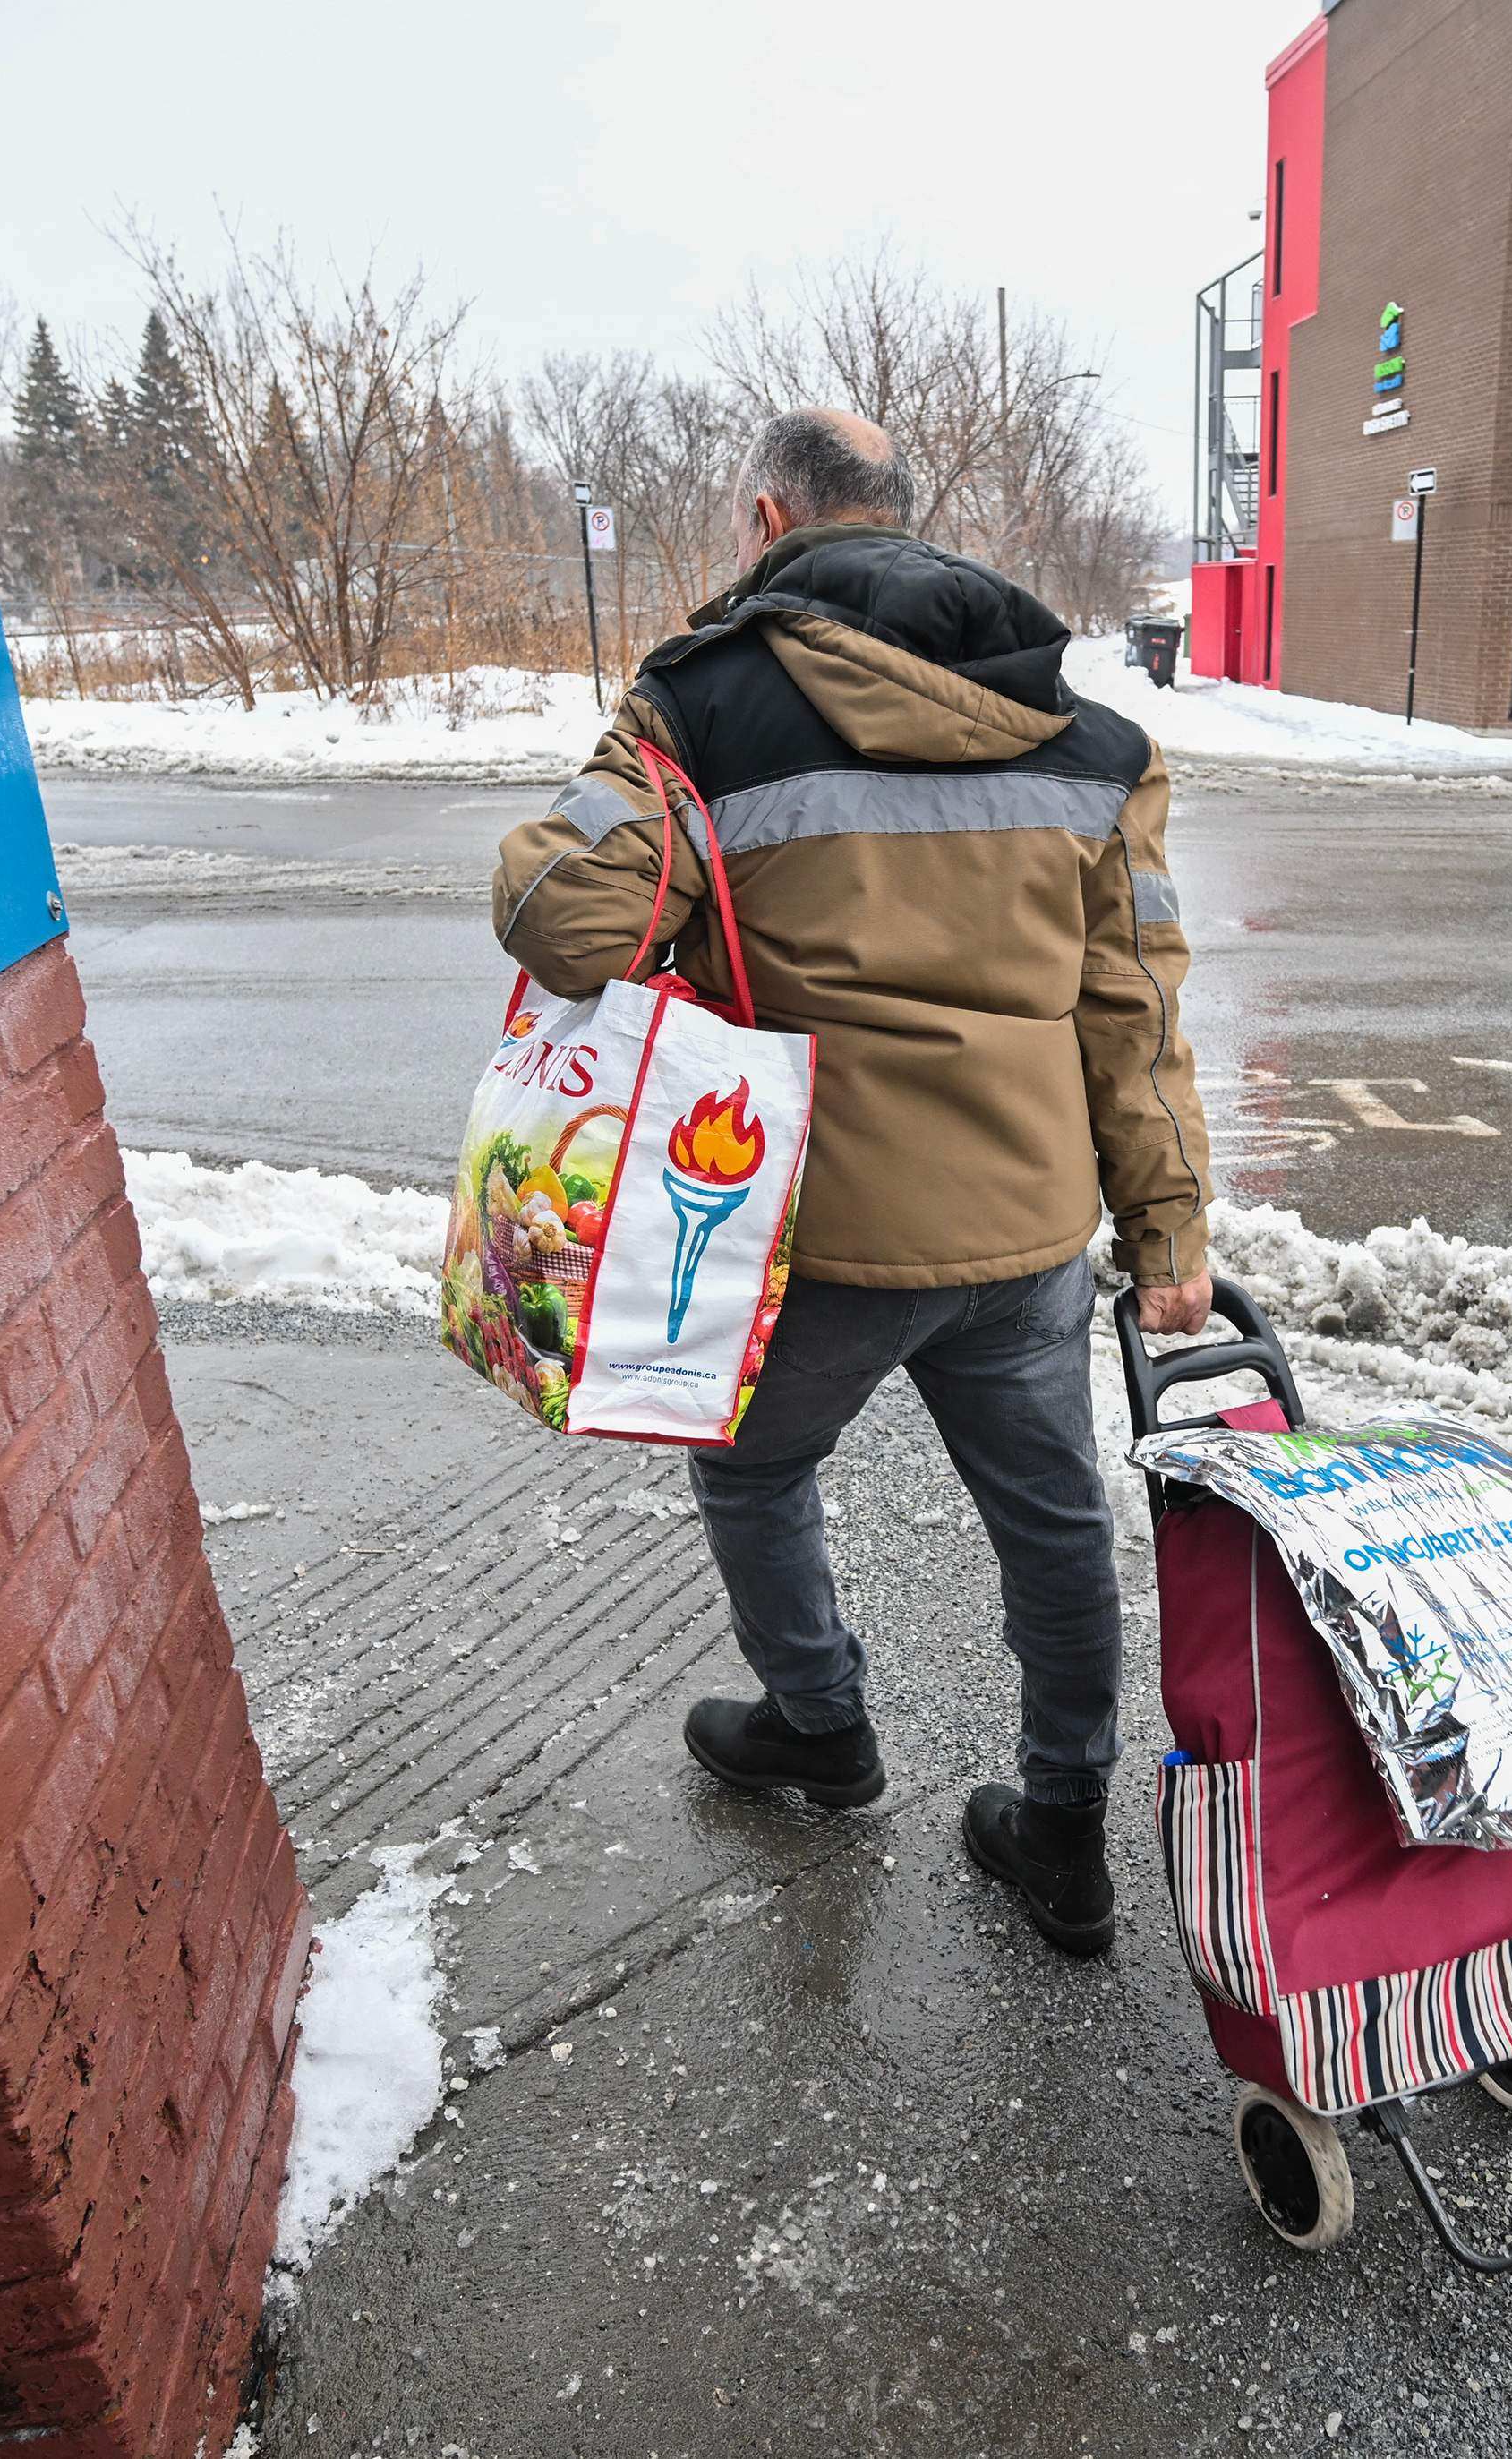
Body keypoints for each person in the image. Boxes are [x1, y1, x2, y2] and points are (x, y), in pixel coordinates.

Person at [488, 408, 1212, 1955]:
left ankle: (821, 1727)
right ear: (904, 520)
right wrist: (1169, 1227)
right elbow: (1134, 1011)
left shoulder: (702, 705)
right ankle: (1065, 1833)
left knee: (754, 1468)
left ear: (768, 518)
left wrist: (633, 765)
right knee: (1057, 1521)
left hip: (806, 1230)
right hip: (1025, 1231)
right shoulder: (1087, 738)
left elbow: (563, 917)